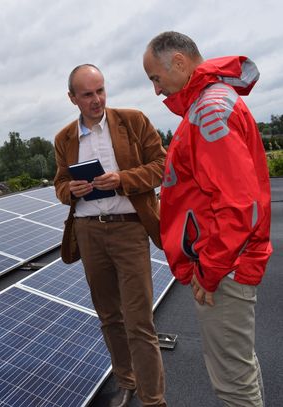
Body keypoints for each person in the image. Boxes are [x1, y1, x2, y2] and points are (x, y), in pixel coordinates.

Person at [143, 31, 272, 406]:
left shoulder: (208, 111)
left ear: (179, 63)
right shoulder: (205, 105)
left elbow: (237, 204)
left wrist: (210, 269)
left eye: (155, 77)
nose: (156, 90)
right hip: (225, 262)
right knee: (239, 368)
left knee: (233, 383)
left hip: (225, 267)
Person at [54, 64, 167, 407]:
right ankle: (127, 382)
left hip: (129, 228)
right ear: (72, 98)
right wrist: (71, 189)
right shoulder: (65, 139)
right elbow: (59, 185)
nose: (97, 99)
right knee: (109, 317)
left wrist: (122, 180)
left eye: (100, 90)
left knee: (139, 320)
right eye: (87, 94)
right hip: (89, 233)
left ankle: (153, 400)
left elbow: (162, 166)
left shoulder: (133, 121)